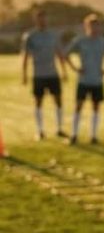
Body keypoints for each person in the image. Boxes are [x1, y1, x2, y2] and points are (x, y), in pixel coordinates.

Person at [21, 8, 69, 140]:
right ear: (36, 20)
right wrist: (24, 74)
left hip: (53, 74)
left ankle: (59, 129)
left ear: (47, 19)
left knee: (58, 101)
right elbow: (25, 56)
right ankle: (40, 130)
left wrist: (64, 71)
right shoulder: (30, 36)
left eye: (44, 18)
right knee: (38, 102)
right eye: (39, 18)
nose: (42, 20)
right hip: (39, 75)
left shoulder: (53, 35)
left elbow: (59, 54)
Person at [65, 14, 104, 144]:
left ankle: (93, 135)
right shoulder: (80, 41)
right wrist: (75, 68)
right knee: (78, 106)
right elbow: (65, 54)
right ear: (86, 27)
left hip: (97, 81)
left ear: (99, 27)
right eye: (91, 26)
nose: (94, 28)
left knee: (96, 107)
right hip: (83, 80)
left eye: (96, 26)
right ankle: (74, 134)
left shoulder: (103, 42)